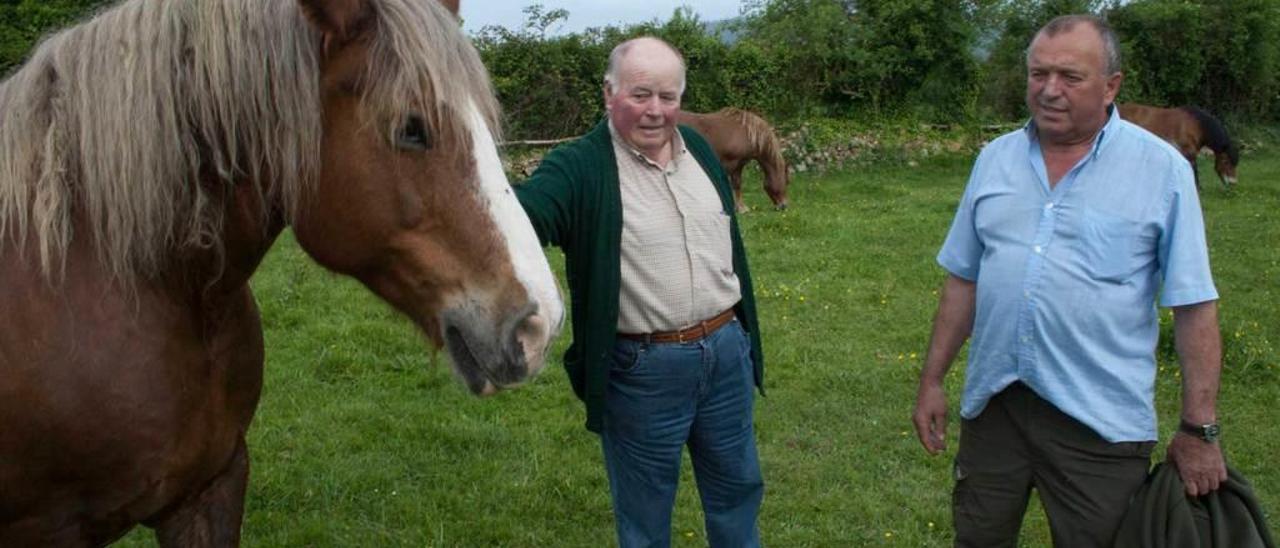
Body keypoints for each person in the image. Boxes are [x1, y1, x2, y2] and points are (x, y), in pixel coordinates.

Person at [911, 14, 1228, 548]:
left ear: (1111, 87)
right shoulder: (995, 160)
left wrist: (1199, 429)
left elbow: (1194, 304)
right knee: (977, 537)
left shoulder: (1161, 171)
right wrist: (933, 379)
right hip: (996, 408)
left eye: (1070, 77)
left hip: (1099, 423)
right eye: (1038, 74)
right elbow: (963, 279)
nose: (1049, 90)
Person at [514, 36, 765, 548]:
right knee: (645, 520)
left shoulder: (698, 149)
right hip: (644, 370)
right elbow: (517, 223)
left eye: (668, 97)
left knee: (738, 493)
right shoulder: (579, 167)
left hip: (725, 354)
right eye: (640, 95)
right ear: (608, 94)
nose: (656, 111)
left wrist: (738, 337)